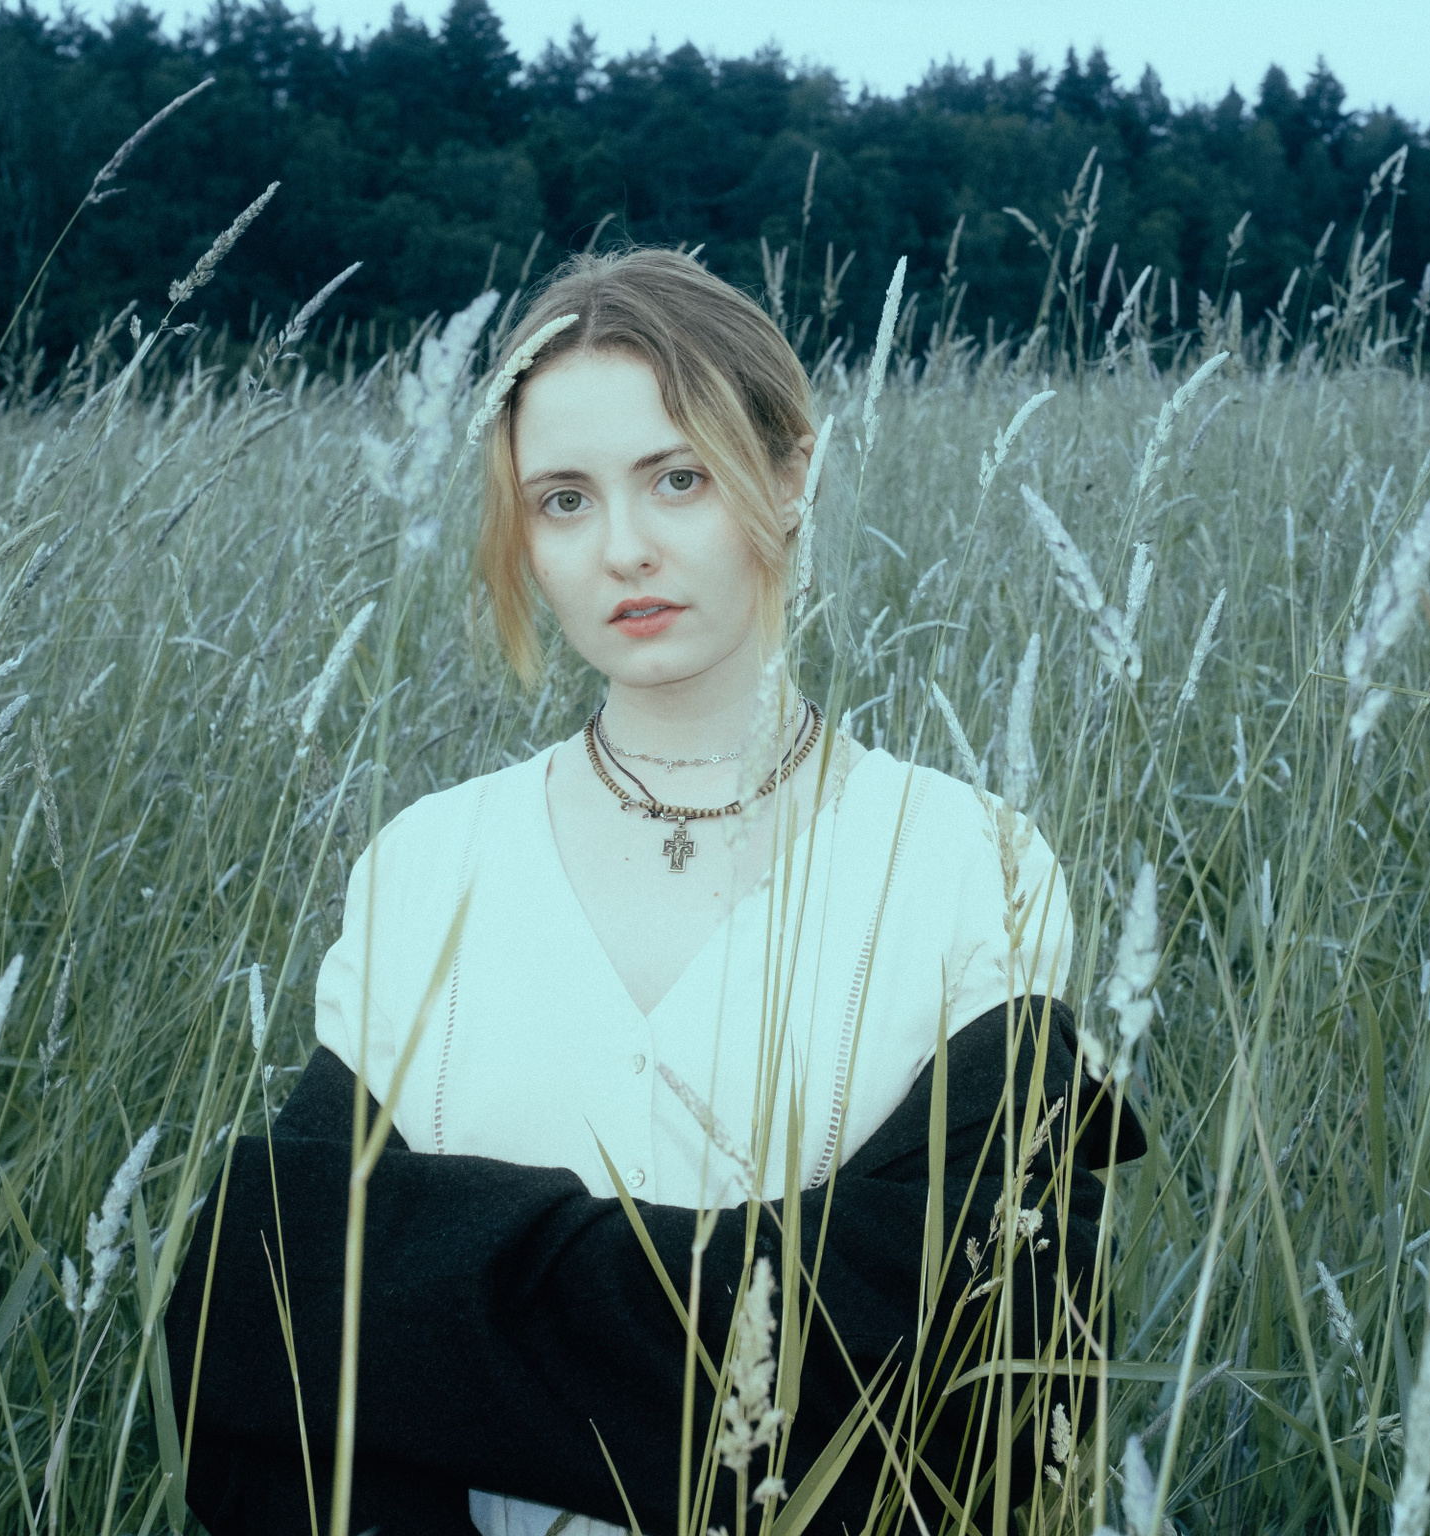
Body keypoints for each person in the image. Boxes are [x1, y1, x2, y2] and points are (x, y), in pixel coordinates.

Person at [164, 248, 1144, 1535]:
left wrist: (445, 1296)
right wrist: (762, 1288)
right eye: (563, 500)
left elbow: (981, 1351)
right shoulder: (426, 864)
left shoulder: (971, 862)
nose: (624, 549)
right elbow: (259, 1318)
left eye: (678, 478)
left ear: (789, 475)